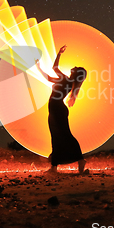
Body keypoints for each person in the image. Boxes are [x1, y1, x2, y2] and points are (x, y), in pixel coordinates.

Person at [35, 45, 88, 174]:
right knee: (57, 136)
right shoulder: (67, 81)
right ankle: (54, 166)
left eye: (76, 68)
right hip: (55, 110)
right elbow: (48, 78)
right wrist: (39, 68)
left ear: (75, 73)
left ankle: (79, 160)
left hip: (57, 109)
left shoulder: (65, 79)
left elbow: (54, 68)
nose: (73, 67)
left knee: (63, 135)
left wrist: (59, 54)